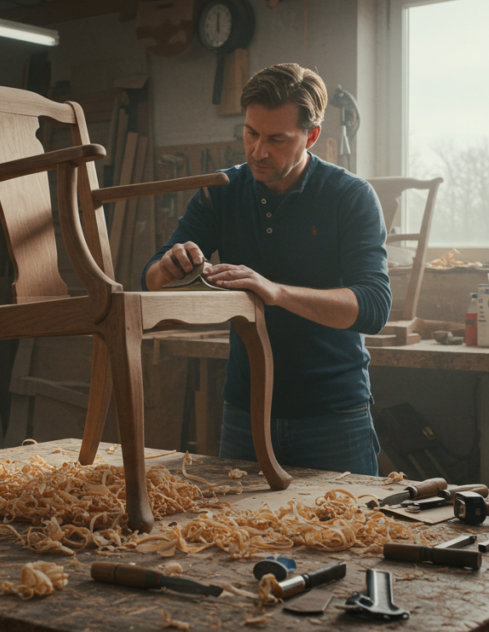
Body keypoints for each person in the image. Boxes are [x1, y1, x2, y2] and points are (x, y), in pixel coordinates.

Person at [142, 63, 391, 475]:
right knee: (239, 536)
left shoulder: (350, 196)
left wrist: (274, 292)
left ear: (311, 136)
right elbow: (150, 280)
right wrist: (170, 265)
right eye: (251, 133)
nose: (258, 151)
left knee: (347, 535)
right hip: (246, 408)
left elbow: (373, 306)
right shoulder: (221, 191)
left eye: (277, 139)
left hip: (333, 411)